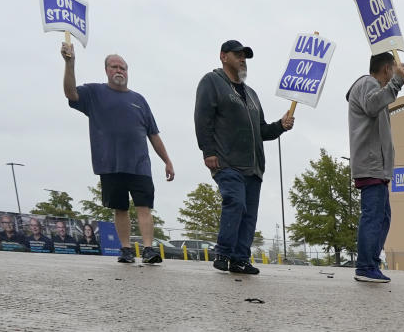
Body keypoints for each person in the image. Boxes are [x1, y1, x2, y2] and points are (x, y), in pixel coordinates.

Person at [63, 43, 175, 265]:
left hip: (139, 165)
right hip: (110, 163)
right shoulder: (94, 93)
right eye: (114, 67)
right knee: (120, 208)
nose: (119, 71)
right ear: (106, 70)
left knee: (144, 206)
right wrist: (70, 63)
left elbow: (153, 134)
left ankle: (149, 249)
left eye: (123, 68)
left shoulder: (139, 100)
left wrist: (167, 160)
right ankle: (125, 249)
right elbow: (70, 93)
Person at [196, 40, 293, 275]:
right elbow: (202, 117)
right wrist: (208, 151)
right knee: (235, 202)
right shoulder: (212, 82)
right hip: (227, 161)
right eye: (237, 55)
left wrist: (280, 125)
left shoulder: (252, 95)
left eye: (245, 56)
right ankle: (224, 252)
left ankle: (240, 259)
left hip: (254, 166)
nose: (242, 59)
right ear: (223, 56)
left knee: (249, 214)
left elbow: (261, 131)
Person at [345, 52, 404, 283]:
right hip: (371, 164)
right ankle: (365, 266)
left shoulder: (372, 88)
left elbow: (376, 103)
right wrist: (397, 82)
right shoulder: (367, 84)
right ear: (386, 69)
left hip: (376, 166)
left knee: (382, 215)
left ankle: (370, 262)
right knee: (374, 215)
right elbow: (372, 105)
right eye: (393, 70)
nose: (396, 73)